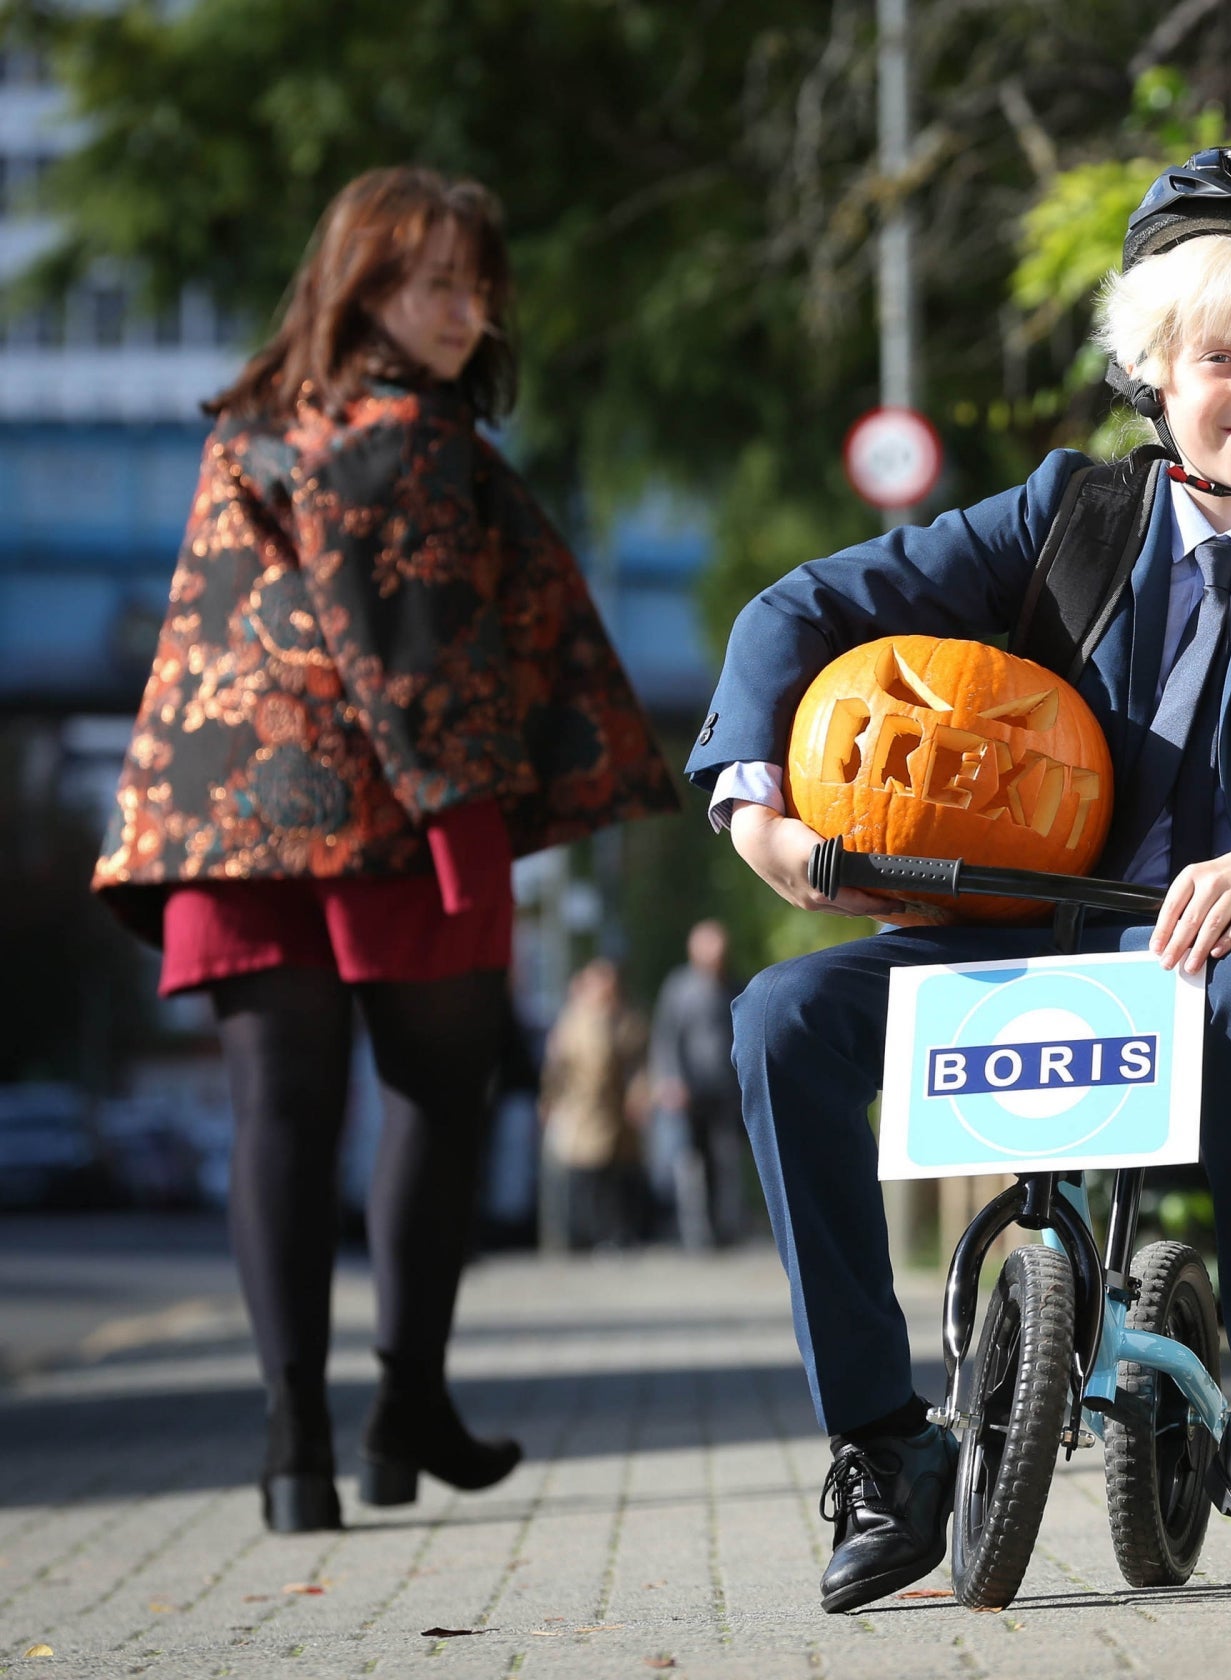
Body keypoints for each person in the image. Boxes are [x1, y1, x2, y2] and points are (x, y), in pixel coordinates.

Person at [691, 145, 1231, 1612]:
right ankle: (879, 1446)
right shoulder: (1064, 519)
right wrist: (754, 803)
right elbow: (804, 604)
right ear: (1155, 370)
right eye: (1220, 355)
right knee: (781, 1022)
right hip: (1029, 931)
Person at [89, 166, 678, 1534]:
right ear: (366, 288)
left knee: (277, 1119)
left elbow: (214, 640)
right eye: (436, 285)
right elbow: (406, 645)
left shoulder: (255, 427)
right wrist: (467, 818)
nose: (468, 312)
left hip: (230, 825)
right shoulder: (405, 434)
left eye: (480, 286)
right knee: (436, 1097)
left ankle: (295, 1445)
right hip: (392, 818)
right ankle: (405, 1402)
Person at [538, 958, 650, 1250]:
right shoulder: (573, 1022)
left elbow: (639, 1064)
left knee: (618, 1175)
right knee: (584, 1172)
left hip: (617, 1112)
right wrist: (549, 1100)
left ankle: (616, 1233)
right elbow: (556, 1068)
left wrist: (639, 1094)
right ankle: (581, 1235)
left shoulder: (627, 1019)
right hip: (583, 1109)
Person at [649, 919, 747, 1249]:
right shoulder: (679, 988)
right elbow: (666, 1037)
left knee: (728, 1158)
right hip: (691, 1092)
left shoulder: (734, 985)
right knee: (692, 1164)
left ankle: (728, 1226)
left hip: (728, 1090)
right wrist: (671, 1080)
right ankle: (697, 1232)